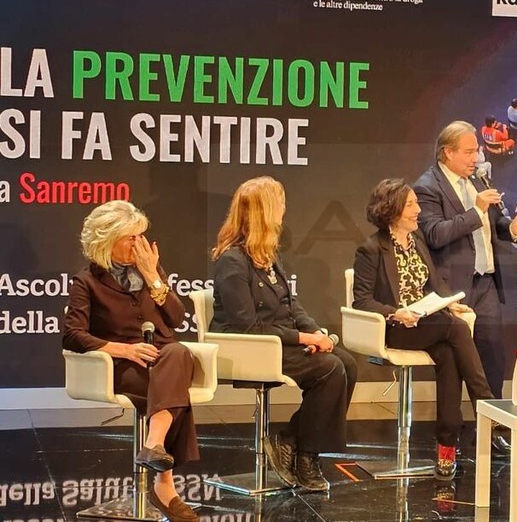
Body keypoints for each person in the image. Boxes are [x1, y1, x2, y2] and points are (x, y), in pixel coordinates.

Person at [211, 176, 359, 492]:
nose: (284, 210)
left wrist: (316, 331)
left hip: (277, 342)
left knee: (346, 363)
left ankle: (292, 440)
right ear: (264, 212)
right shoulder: (231, 261)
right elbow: (248, 327)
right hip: (247, 347)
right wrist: (306, 340)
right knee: (329, 369)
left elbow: (292, 307)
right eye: (279, 204)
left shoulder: (268, 255)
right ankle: (306, 456)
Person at [63, 201, 200, 522]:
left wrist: (153, 277)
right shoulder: (87, 282)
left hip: (165, 359)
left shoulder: (149, 271)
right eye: (131, 237)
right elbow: (72, 335)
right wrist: (124, 350)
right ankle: (164, 485)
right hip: (123, 366)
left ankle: (154, 444)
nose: (140, 244)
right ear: (107, 241)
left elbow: (177, 319)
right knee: (173, 388)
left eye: (141, 235)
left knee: (178, 352)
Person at [352, 178, 495, 480]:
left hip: (428, 322)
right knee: (457, 330)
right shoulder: (371, 249)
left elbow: (434, 283)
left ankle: (446, 446)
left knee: (449, 356)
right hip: (396, 327)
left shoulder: (416, 240)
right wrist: (395, 312)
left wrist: (449, 303)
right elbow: (361, 301)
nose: (418, 210)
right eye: (411, 205)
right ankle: (486, 406)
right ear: (392, 211)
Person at [412, 121, 517, 413]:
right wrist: (476, 209)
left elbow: (494, 224)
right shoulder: (427, 186)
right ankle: (450, 428)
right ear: (448, 152)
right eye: (469, 152)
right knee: (455, 360)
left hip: (486, 282)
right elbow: (435, 234)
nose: (476, 158)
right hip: (452, 287)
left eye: (477, 151)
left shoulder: (478, 180)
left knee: (493, 355)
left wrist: (514, 228)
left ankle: (491, 423)